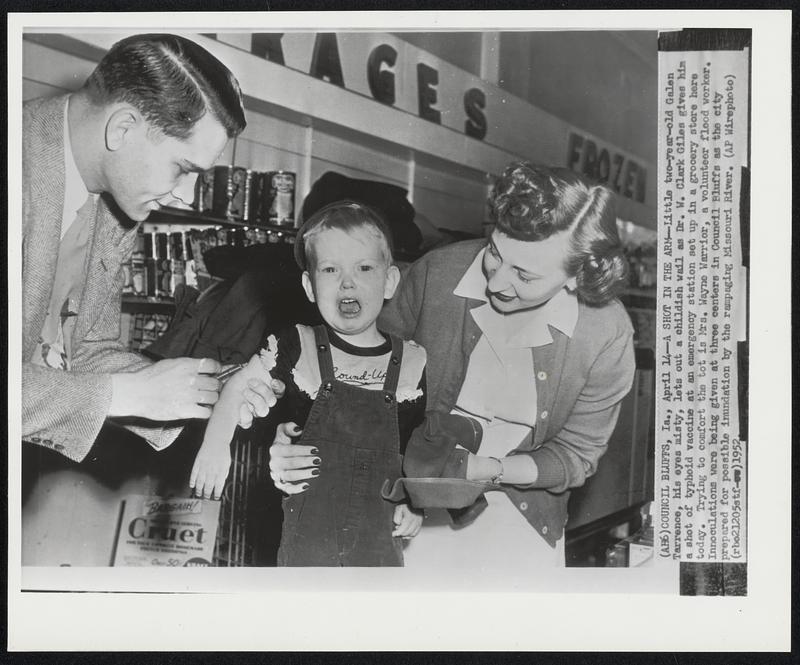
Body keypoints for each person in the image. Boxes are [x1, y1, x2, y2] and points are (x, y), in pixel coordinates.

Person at [268, 162, 636, 570]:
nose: (496, 282)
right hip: (400, 510)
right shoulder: (438, 274)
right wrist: (299, 433)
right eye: (495, 253)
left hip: (524, 524)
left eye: (525, 276)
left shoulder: (604, 330)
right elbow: (354, 372)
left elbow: (576, 455)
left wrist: (488, 471)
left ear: (575, 277)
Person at [22, 33, 274, 464]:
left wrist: (200, 388)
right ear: (122, 127)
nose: (187, 197)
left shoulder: (116, 202)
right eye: (183, 168)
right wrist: (130, 393)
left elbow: (85, 349)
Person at [191, 201, 483, 566]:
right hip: (307, 534)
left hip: (378, 537)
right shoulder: (295, 345)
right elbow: (238, 386)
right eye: (330, 269)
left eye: (364, 267)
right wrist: (216, 445)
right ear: (309, 286)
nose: (348, 281)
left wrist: (415, 503)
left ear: (390, 280)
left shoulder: (413, 360)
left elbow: (415, 446)